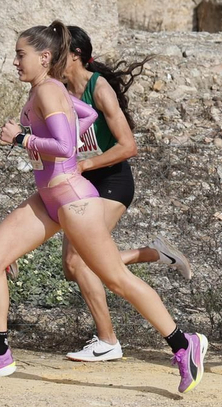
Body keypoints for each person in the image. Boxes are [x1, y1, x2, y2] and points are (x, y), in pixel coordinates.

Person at [0, 22, 208, 393]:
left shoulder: (48, 91)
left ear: (44, 58)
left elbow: (64, 147)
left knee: (116, 279)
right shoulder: (51, 90)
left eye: (20, 55)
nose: (15, 62)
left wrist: (20, 137)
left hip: (73, 199)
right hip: (49, 197)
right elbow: (88, 116)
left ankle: (183, 343)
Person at [59, 25, 191, 362]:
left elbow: (128, 146)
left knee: (79, 259)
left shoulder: (98, 88)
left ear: (74, 54)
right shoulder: (57, 89)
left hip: (111, 181)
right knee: (75, 265)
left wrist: (86, 166)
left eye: (55, 49)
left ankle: (108, 340)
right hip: (80, 181)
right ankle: (156, 254)